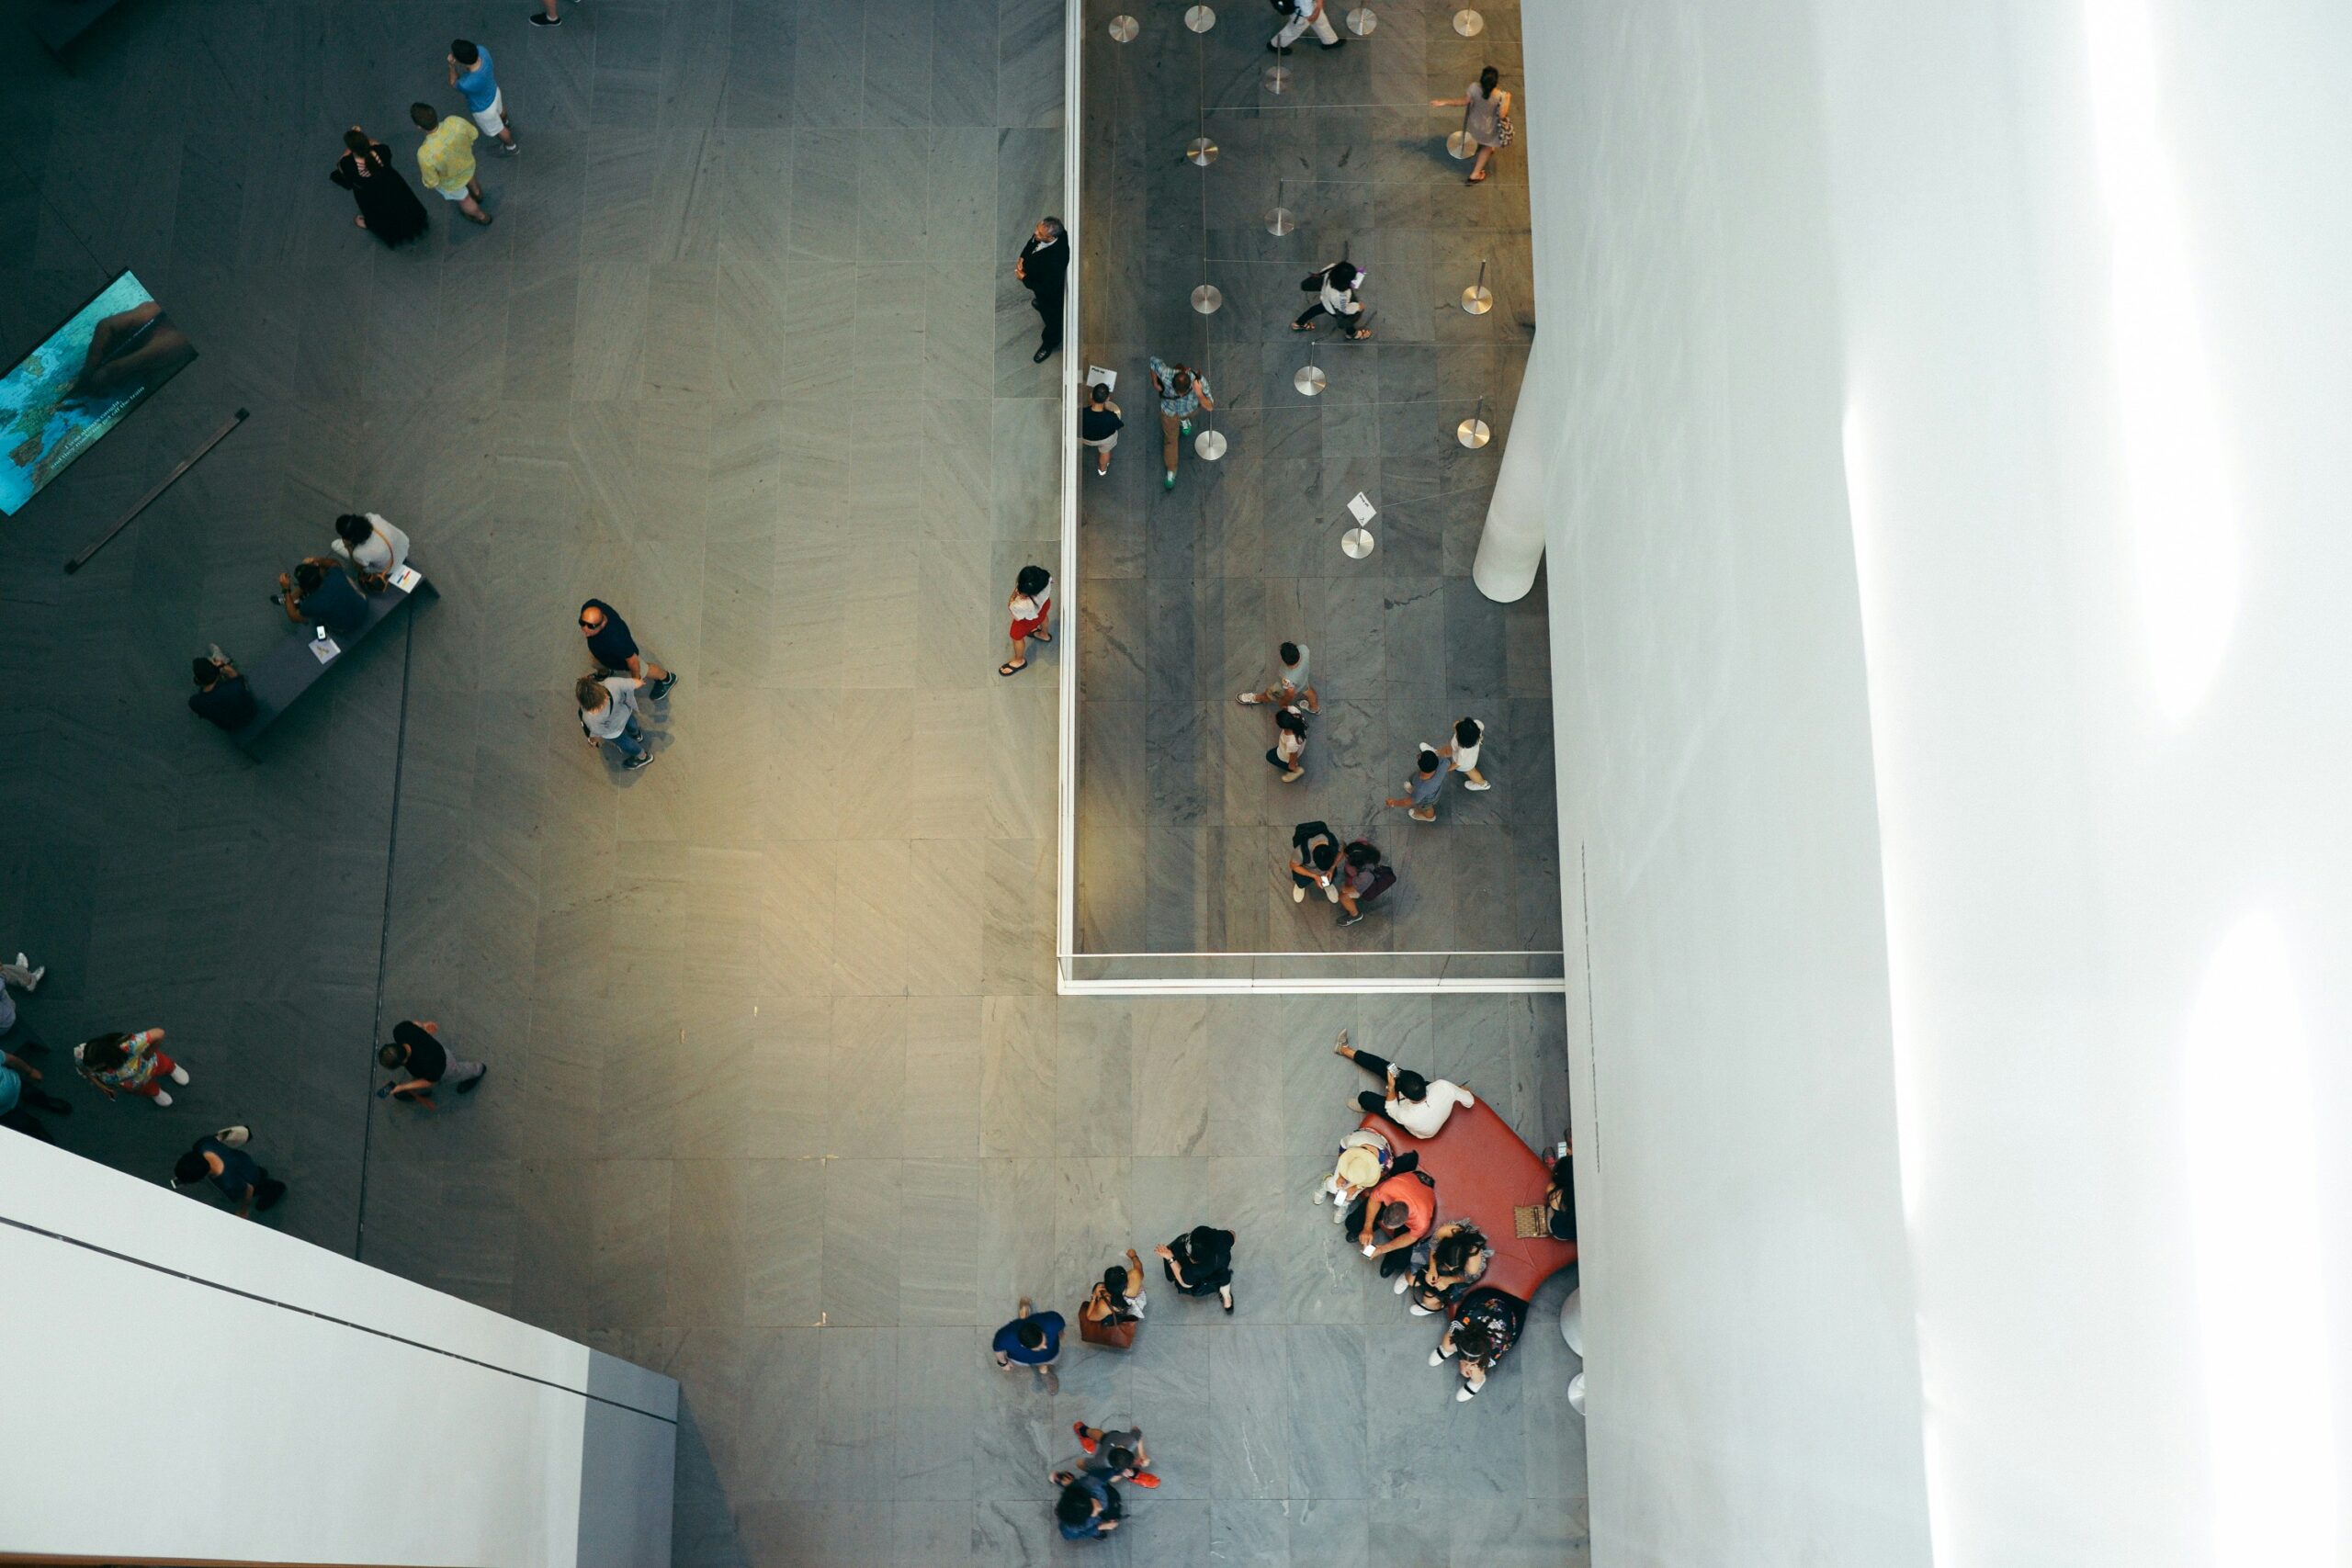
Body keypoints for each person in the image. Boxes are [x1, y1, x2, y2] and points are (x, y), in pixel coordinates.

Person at [1333, 1031, 1476, 1137]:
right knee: (1386, 1067)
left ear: (1404, 1096)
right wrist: (1459, 1090)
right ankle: (1345, 1050)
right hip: (1421, 1102)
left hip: (1418, 1131)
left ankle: (1363, 1104)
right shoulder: (1443, 1086)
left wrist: (1391, 1088)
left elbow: (1391, 1109)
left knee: (1366, 1097)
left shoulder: (1406, 1116)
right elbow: (1469, 1101)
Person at [331, 126, 430, 246]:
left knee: (376, 212)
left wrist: (351, 144)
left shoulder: (347, 165)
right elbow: (375, 143)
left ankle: (371, 224)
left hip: (369, 193)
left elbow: (340, 164)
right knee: (402, 202)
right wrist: (360, 138)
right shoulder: (382, 151)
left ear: (352, 149)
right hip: (391, 184)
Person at [171, 1126, 287, 1217]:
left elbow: (249, 1189)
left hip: (248, 1177)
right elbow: (219, 1137)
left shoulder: (228, 1182)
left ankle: (275, 1187)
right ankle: (261, 1173)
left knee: (258, 1186)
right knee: (255, 1171)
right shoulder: (202, 1144)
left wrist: (243, 1211)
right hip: (241, 1160)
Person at [1432, 1286, 1525, 1400]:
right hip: (1487, 1300)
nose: (1467, 1365)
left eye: (1470, 1363)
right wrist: (1462, 1360)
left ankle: (1477, 1383)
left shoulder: (1495, 1349)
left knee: (1477, 1373)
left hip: (1513, 1313)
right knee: (1447, 1345)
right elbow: (1451, 1331)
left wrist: (1475, 1369)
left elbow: (1488, 1362)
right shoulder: (1466, 1322)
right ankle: (1451, 1350)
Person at [411, 103, 491, 226]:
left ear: (419, 127)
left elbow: (432, 182)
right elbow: (474, 134)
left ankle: (482, 216)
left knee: (465, 199)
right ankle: (478, 193)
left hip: (451, 182)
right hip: (467, 165)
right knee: (470, 179)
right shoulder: (454, 122)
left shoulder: (425, 153)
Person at [376, 1019, 487, 1106]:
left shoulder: (427, 1065)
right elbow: (414, 1024)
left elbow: (431, 1081)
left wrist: (402, 1087)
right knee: (418, 1078)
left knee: (458, 1072)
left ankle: (479, 1069)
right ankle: (421, 1091)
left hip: (445, 1065)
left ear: (402, 1062)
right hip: (437, 1049)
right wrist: (424, 1026)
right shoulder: (400, 1030)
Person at [578, 600, 677, 696]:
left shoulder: (617, 638)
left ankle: (667, 678)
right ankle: (604, 673)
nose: (585, 630)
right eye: (582, 623)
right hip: (603, 653)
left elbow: (633, 661)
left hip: (623, 659)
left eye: (591, 627)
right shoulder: (590, 606)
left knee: (645, 670)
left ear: (603, 623)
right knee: (596, 663)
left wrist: (635, 681)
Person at [1352, 1166, 1436, 1278]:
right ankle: (1371, 1226)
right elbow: (1373, 1199)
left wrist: (1382, 1249)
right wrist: (1367, 1226)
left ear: (1405, 1222)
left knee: (1400, 1261)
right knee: (1352, 1223)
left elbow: (1411, 1237)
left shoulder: (1421, 1221)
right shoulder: (1388, 1189)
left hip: (1423, 1196)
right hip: (1409, 1181)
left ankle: (1390, 1261)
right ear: (1389, 1204)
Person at [1433, 67, 1513, 185]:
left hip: (1475, 123)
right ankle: (1475, 174)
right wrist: (1507, 99)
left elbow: (1463, 102)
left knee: (1483, 140)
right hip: (1489, 128)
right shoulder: (1500, 96)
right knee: (1488, 146)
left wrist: (1444, 102)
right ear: (1495, 82)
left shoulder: (1474, 88)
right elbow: (1502, 115)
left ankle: (1484, 146)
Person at [1146, 357, 1213, 491]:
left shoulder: (1198, 382)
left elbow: (1210, 407)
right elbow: (1152, 361)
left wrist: (1199, 393)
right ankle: (1171, 470)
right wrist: (1154, 382)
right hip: (1170, 414)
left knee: (1182, 420)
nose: (1181, 395)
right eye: (1178, 393)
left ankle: (1183, 421)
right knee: (1170, 441)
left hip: (1187, 411)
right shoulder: (1166, 374)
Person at [74, 1027, 185, 1107]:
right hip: (132, 1083)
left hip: (149, 1064)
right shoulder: (82, 1057)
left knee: (165, 1066)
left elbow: (159, 1033)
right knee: (146, 1089)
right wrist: (101, 1086)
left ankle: (173, 1069)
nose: (94, 1069)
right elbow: (84, 1070)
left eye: (97, 1066)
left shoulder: (129, 1046)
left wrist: (148, 1054)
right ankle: (156, 1092)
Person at [1404, 1221, 1490, 1313]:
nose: (1450, 1269)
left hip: (1460, 1274)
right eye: (1448, 1266)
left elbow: (1469, 1277)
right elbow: (1433, 1248)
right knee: (1411, 1279)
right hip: (1439, 1256)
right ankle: (1409, 1272)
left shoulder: (1472, 1264)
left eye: (1453, 1267)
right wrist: (1432, 1269)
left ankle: (1434, 1307)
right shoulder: (1444, 1232)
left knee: (1429, 1301)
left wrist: (1449, 1280)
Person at [449, 40, 517, 153]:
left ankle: (511, 147)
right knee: (501, 110)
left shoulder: (466, 83)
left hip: (484, 109)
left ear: (461, 62)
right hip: (494, 92)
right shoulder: (483, 51)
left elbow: (453, 82)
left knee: (499, 130)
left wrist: (451, 66)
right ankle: (506, 122)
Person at [1015, 217, 1068, 363]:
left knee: (1052, 321)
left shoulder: (1056, 260)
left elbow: (1047, 288)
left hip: (1050, 296)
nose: (1035, 234)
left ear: (1051, 237)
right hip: (1039, 283)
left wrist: (1024, 278)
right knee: (1041, 299)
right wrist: (1022, 257)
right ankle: (1040, 303)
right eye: (1037, 229)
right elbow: (1032, 242)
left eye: (1039, 233)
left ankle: (1050, 343)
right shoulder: (1044, 235)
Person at [1313, 1125, 1393, 1218]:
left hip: (1368, 1167)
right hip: (1353, 1154)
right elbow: (1342, 1150)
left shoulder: (1386, 1163)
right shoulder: (1352, 1141)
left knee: (1351, 1195)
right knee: (1334, 1185)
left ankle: (1345, 1203)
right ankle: (1326, 1182)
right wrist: (1341, 1176)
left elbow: (1377, 1176)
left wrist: (1356, 1186)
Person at [991, 1295, 1066, 1393]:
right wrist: (1003, 1363)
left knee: (1045, 1365)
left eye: (1044, 1341)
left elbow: (1060, 1331)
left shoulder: (1053, 1321)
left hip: (1050, 1356)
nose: (1045, 1347)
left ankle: (1045, 1371)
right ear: (1023, 1345)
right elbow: (997, 1349)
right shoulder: (1005, 1337)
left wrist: (1059, 1336)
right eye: (1039, 1347)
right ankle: (1025, 1316)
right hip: (1021, 1360)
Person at [1156, 1224, 1236, 1314]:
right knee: (1224, 1280)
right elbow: (1232, 1234)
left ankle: (1223, 1295)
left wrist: (1170, 1257)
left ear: (1195, 1262)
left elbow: (1185, 1283)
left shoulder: (1196, 1270)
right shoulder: (1222, 1239)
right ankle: (1227, 1299)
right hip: (1222, 1270)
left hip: (1204, 1277)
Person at [578, 674, 652, 770]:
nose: (599, 709)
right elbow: (631, 683)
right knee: (632, 724)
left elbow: (597, 732)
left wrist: (593, 740)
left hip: (614, 731)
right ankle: (637, 735)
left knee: (625, 742)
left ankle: (643, 756)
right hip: (625, 712)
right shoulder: (611, 683)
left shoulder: (589, 717)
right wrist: (639, 682)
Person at [279, 557, 368, 637]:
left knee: (313, 615)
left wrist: (286, 589)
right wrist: (316, 561)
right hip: (364, 607)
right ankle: (294, 597)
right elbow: (334, 563)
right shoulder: (335, 574)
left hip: (344, 628)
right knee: (343, 578)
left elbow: (294, 617)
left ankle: (291, 598)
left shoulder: (310, 604)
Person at [1, 1043, 72, 1141]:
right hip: (3, 1111)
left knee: (34, 1093)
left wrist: (30, 1071)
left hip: (15, 1083)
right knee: (21, 1122)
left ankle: (45, 1102)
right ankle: (36, 1129)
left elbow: (11, 1059)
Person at [1066, 1421, 1160, 1487]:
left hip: (1110, 1438)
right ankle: (1133, 1474)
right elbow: (1136, 1430)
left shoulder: (1102, 1461)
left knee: (1101, 1436)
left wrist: (1141, 1454)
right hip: (1114, 1436)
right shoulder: (1130, 1441)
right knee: (1113, 1479)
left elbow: (1079, 1463)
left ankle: (1082, 1430)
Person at [1293, 261, 1370, 340]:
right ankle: (1352, 334)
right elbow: (1344, 309)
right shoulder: (1341, 295)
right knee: (1346, 319)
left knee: (1316, 309)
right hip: (1333, 308)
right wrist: (1358, 307)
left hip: (1326, 298)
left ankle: (1299, 323)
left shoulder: (1332, 267)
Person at [333, 513, 412, 587]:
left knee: (335, 545)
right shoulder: (372, 517)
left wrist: (348, 547)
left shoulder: (359, 553)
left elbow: (360, 568)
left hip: (392, 567)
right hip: (404, 544)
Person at [1001, 565, 1053, 677]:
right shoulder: (1045, 578)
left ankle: (1019, 661)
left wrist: (1015, 595)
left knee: (1016, 636)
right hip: (1044, 605)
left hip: (1027, 619)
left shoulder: (1021, 604)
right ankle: (1044, 634)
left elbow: (1013, 611)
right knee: (1043, 617)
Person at [1079, 1249, 1146, 1334]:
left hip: (1114, 1309)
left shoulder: (1104, 1305)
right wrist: (1134, 1256)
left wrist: (1094, 1296)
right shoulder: (1135, 1276)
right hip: (1133, 1302)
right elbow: (1139, 1268)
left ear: (1106, 1285)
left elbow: (1090, 1317)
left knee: (1096, 1286)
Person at [1238, 641, 1317, 711]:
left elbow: (1290, 692)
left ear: (1284, 661)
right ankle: (1315, 708)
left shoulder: (1287, 677)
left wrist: (1283, 702)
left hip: (1284, 687)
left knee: (1269, 694)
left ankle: (1256, 698)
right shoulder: (1304, 649)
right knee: (1309, 692)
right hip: (1303, 680)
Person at [187, 652, 256, 730]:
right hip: (252, 714)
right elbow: (238, 678)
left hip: (231, 728)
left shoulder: (194, 702)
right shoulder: (235, 688)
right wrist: (223, 666)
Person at [1385, 745, 1453, 823]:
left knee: (1427, 808)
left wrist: (1394, 803)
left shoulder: (1421, 788)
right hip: (1432, 790)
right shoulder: (1443, 763)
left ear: (1420, 766)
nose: (1418, 755)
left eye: (1419, 756)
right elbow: (1448, 762)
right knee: (1417, 792)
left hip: (1427, 800)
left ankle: (1429, 817)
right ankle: (1414, 791)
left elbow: (1409, 801)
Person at [1336, 840, 1395, 928]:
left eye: (1348, 858)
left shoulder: (1365, 876)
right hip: (1358, 878)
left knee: (1343, 897)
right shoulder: (1363, 846)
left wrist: (1343, 889)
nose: (1345, 857)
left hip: (1362, 886)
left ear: (1356, 862)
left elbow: (1354, 889)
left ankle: (1355, 915)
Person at [1054, 1471, 1121, 1540]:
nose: (1100, 1508)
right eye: (1093, 1512)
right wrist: (1100, 1527)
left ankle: (1070, 1483)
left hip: (1106, 1493)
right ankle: (1069, 1483)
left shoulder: (1091, 1483)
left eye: (1094, 1502)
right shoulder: (1072, 1527)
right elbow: (1070, 1535)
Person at [1289, 820, 1340, 904]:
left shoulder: (1334, 841)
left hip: (1329, 870)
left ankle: (1327, 885)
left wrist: (1332, 868)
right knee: (1301, 882)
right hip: (1307, 871)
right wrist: (1314, 876)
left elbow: (1341, 850)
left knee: (1329, 878)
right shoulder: (1300, 852)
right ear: (1313, 859)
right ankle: (1300, 886)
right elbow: (1293, 865)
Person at [1080, 383, 1123, 476]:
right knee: (1105, 452)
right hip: (1105, 440)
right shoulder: (1111, 417)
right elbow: (1118, 425)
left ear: (1091, 395)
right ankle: (1102, 469)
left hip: (1085, 439)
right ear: (1107, 399)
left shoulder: (1082, 413)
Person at [1440, 716, 1492, 791]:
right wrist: (1458, 726)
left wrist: (1448, 769)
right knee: (1448, 750)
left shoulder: (1462, 753)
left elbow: (1458, 764)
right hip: (1469, 756)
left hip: (1466, 764)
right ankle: (1436, 752)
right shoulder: (1476, 727)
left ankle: (1483, 784)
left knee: (1471, 771)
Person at [1269, 0, 1344, 51]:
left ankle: (1330, 41)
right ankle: (1275, 45)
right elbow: (1309, 16)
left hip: (1309, 6)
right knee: (1292, 31)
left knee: (1321, 21)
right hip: (1302, 14)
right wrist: (1319, 7)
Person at [1543, 1145, 1577, 1245]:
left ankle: (1551, 1167)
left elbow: (1552, 1186)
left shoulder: (1555, 1193)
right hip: (1575, 1232)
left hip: (1560, 1232)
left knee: (1550, 1209)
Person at [1267, 705, 1308, 783]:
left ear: (1283, 727)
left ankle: (1296, 770)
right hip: (1291, 748)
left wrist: (1292, 765)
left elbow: (1293, 754)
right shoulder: (1296, 714)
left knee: (1270, 756)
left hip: (1286, 755)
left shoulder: (1291, 742)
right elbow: (1287, 707)